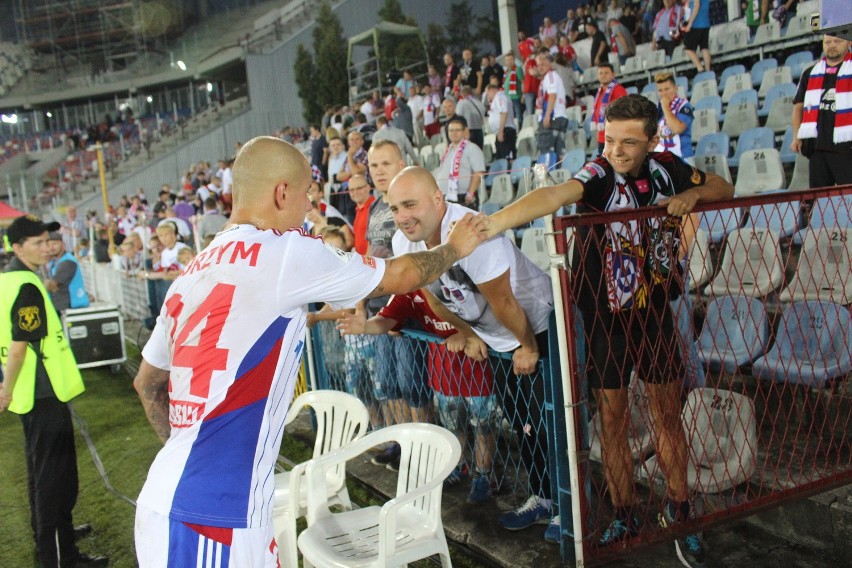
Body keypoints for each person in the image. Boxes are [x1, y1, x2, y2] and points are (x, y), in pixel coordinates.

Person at [132, 136, 486, 568]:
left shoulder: (191, 271)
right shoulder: (285, 252)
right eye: (305, 195)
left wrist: (183, 456)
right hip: (214, 516)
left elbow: (147, 382)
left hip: (183, 495)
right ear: (282, 193)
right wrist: (456, 248)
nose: (307, 208)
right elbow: (402, 273)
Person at [480, 94, 735, 566]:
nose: (616, 151)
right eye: (609, 139)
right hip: (604, 319)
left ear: (653, 140)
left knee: (667, 416)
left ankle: (680, 514)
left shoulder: (664, 168)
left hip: (655, 312)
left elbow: (724, 187)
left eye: (629, 143)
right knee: (612, 419)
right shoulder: (598, 174)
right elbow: (554, 196)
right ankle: (624, 512)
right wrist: (492, 222)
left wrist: (693, 195)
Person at [388, 166, 557, 540]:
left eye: (410, 205)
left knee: (554, 423)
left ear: (437, 200)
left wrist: (527, 346)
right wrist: (467, 333)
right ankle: (543, 498)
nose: (402, 217)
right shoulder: (405, 243)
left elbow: (505, 302)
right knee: (523, 423)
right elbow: (435, 300)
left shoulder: (471, 232)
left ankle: (570, 511)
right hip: (498, 337)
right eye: (395, 208)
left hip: (538, 325)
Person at [0, 215, 108, 568]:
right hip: (42, 392)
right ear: (17, 248)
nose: (47, 247)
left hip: (32, 394)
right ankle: (60, 556)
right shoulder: (27, 286)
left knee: (41, 472)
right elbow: (18, 347)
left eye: (48, 241)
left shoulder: (10, 280)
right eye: (38, 243)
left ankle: (52, 536)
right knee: (55, 479)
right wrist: (6, 389)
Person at [337, 289, 498, 504]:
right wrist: (365, 326)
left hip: (477, 369)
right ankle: (458, 467)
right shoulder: (410, 292)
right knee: (452, 425)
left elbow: (494, 308)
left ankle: (484, 476)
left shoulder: (461, 281)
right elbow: (386, 319)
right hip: (443, 371)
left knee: (483, 425)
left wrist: (467, 333)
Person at [791, 34, 852, 188]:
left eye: (837, 41)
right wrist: (796, 137)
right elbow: (798, 107)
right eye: (828, 42)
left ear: (849, 42)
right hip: (817, 147)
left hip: (846, 148)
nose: (832, 45)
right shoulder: (810, 73)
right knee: (819, 201)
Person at [436, 116, 486, 206]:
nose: (454, 133)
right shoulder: (448, 150)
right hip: (445, 196)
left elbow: (479, 172)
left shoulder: (472, 148)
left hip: (463, 197)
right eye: (451, 130)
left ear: (464, 132)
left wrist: (470, 193)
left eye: (457, 130)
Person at [45, 231, 90, 313]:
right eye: (48, 245)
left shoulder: (67, 262)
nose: (51, 248)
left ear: (63, 245)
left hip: (72, 308)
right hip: (63, 307)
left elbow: (51, 285)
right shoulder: (54, 262)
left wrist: (49, 284)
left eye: (54, 244)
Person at [535, 51, 570, 156]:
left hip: (553, 117)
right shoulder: (552, 76)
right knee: (559, 151)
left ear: (550, 63)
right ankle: (559, 171)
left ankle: (549, 172)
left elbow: (552, 95)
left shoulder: (550, 76)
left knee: (546, 151)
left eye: (543, 64)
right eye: (538, 65)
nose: (540, 67)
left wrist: (547, 116)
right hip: (559, 117)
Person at [654, 71, 695, 158]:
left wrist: (665, 107)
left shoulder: (684, 106)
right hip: (664, 157)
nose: (664, 93)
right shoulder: (658, 109)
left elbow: (677, 128)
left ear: (675, 88)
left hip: (683, 158)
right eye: (660, 90)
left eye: (667, 89)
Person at [592, 64, 629, 155]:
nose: (603, 75)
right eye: (600, 73)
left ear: (613, 74)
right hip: (601, 136)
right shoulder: (600, 91)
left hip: (614, 136)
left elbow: (624, 112)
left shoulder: (618, 90)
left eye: (606, 73)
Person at [486, 82, 517, 161]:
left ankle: (510, 173)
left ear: (492, 90)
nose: (488, 96)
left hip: (505, 130)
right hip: (502, 131)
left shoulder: (500, 97)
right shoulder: (498, 98)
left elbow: (504, 112)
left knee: (507, 158)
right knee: (501, 159)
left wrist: (501, 131)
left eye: (487, 93)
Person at [682, 0, 712, 72]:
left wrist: (690, 24)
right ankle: (708, 70)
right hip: (705, 23)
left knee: (688, 48)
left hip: (697, 24)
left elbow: (696, 6)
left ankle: (700, 68)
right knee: (704, 48)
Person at [503, 52, 525, 125]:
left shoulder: (517, 69)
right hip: (508, 97)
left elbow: (523, 82)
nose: (509, 62)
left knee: (518, 114)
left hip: (516, 96)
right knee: (512, 115)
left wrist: (523, 95)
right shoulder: (507, 71)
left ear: (514, 60)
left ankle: (520, 128)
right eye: (507, 60)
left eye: (511, 59)